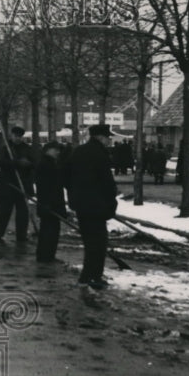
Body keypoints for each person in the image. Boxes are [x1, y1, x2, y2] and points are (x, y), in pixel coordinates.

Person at [66, 124, 118, 290]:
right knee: (98, 242)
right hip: (97, 204)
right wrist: (111, 202)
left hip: (82, 204)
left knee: (89, 241)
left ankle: (87, 276)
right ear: (101, 137)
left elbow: (66, 176)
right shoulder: (100, 154)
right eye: (107, 137)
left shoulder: (78, 151)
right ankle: (93, 276)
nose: (109, 139)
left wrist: (74, 196)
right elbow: (107, 183)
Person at [0, 125, 35, 243]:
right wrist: (17, 163)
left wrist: (27, 164)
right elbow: (1, 162)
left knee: (23, 212)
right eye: (15, 136)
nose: (18, 138)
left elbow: (33, 163)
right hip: (7, 184)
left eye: (20, 136)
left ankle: (21, 235)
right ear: (11, 135)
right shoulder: (6, 148)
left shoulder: (27, 148)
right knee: (4, 210)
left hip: (23, 184)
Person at [34, 141, 68, 263]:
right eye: (55, 150)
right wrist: (47, 203)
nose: (58, 152)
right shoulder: (46, 164)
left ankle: (46, 255)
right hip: (49, 203)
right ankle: (46, 256)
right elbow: (44, 186)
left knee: (50, 229)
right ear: (47, 150)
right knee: (50, 231)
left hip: (51, 203)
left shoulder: (50, 163)